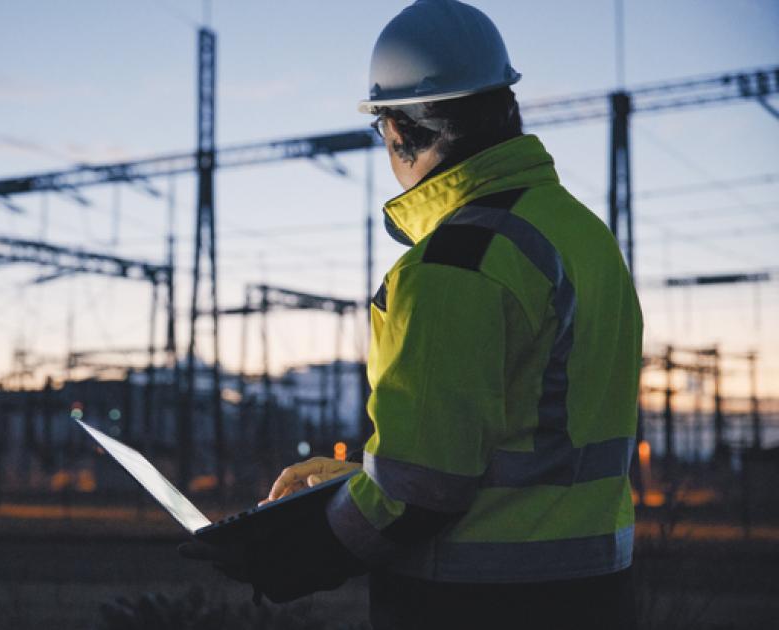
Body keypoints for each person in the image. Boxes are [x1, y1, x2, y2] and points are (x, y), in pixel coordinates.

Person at [180, 1, 642, 628]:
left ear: (397, 129)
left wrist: (296, 550)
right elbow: (528, 447)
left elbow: (420, 495)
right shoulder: (581, 235)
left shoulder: (455, 262)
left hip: (476, 603)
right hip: (595, 592)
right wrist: (356, 480)